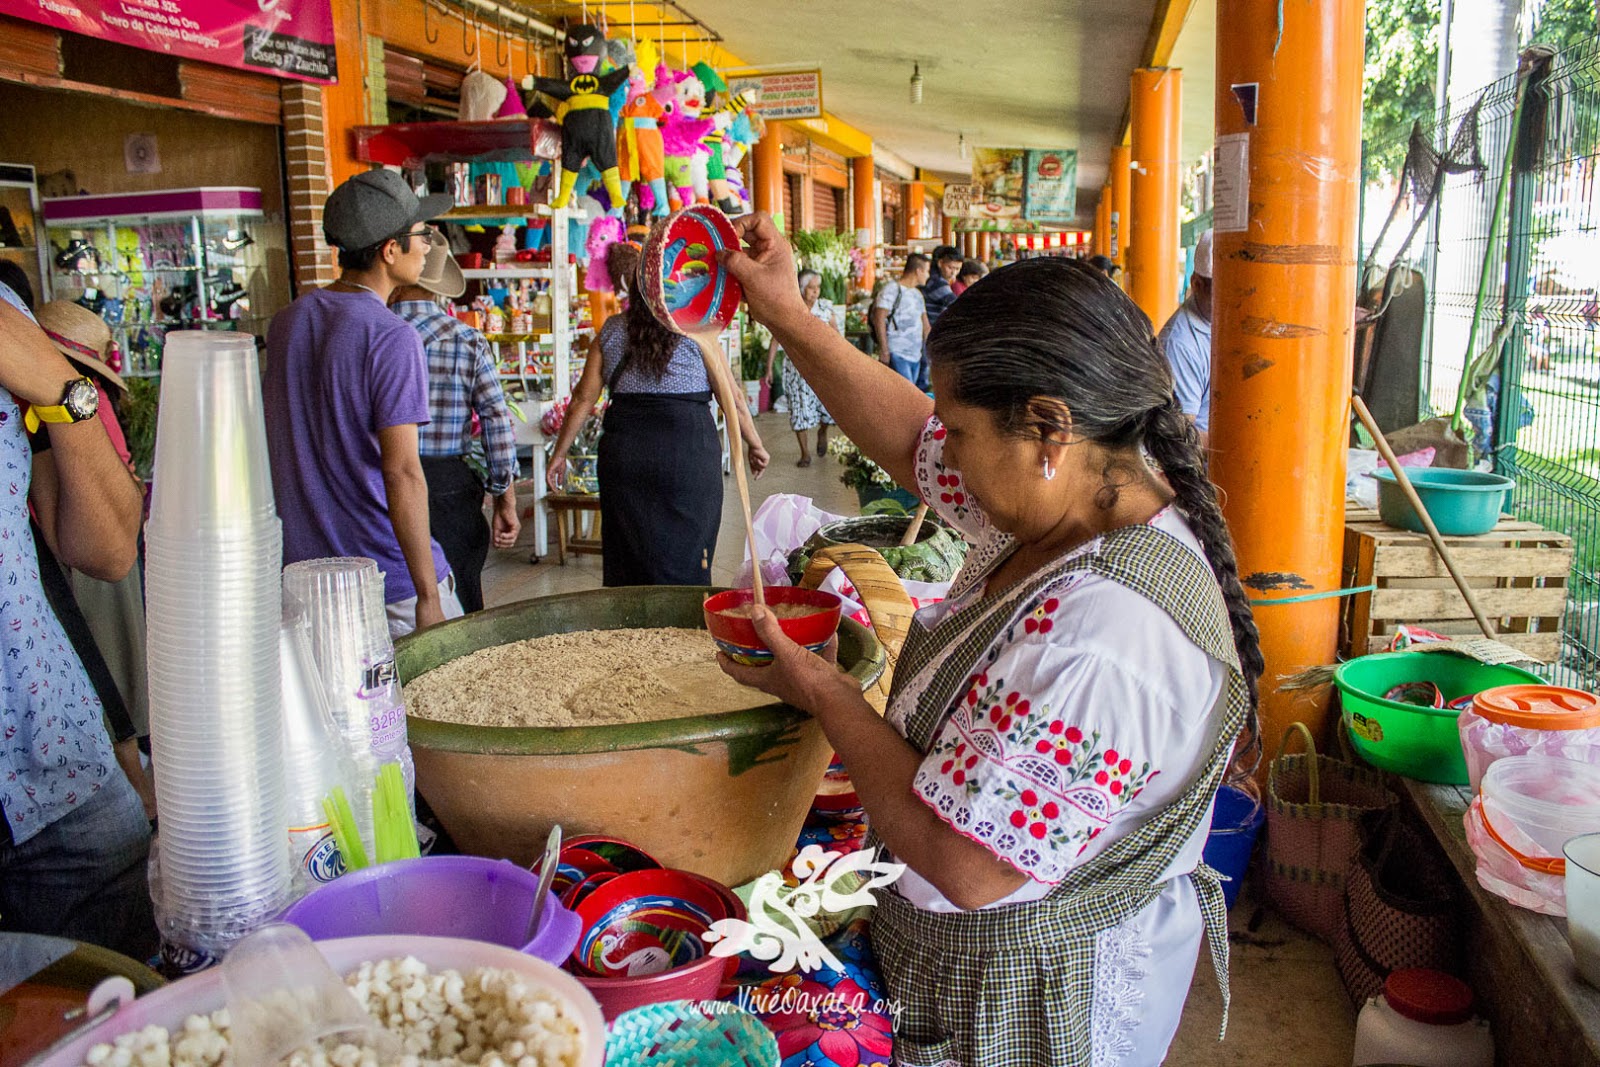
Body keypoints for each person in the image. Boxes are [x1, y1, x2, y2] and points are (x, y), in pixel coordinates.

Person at [719, 212, 1263, 1067]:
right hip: (981, 961)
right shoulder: (1083, 496)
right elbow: (910, 438)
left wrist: (826, 691)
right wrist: (788, 313)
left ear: (1049, 429)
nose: (948, 458)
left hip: (1038, 1001)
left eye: (963, 431)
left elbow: (966, 862)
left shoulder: (1108, 641)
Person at [0, 281, 155, 961]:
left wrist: (65, 390)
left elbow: (107, 548)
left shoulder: (8, 311)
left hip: (58, 763)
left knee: (126, 1004)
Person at [264, 169, 463, 637]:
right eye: (423, 235)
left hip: (305, 579)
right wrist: (429, 596)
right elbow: (403, 473)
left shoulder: (287, 322)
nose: (431, 246)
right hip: (386, 579)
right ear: (390, 250)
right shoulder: (392, 338)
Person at [547, 241, 768, 585]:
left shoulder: (612, 330)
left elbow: (581, 400)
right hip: (687, 455)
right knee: (689, 555)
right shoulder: (698, 331)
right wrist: (756, 444)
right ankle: (682, 624)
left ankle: (633, 631)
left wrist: (559, 454)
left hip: (626, 458)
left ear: (635, 289)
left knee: (629, 556)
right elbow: (732, 398)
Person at [390, 238, 521, 614]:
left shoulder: (377, 332)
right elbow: (496, 418)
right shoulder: (465, 338)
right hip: (448, 484)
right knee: (462, 590)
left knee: (394, 591)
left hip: (381, 480)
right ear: (437, 286)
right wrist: (504, 498)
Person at [763, 269, 839, 467]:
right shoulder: (791, 309)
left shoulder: (825, 309)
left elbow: (837, 338)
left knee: (827, 407)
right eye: (811, 288)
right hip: (796, 370)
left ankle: (822, 432)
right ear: (802, 289)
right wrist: (769, 368)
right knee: (799, 408)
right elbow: (775, 339)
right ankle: (805, 454)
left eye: (817, 288)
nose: (815, 292)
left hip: (822, 368)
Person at [1157, 229, 1213, 446]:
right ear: (1197, 284)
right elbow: (1180, 438)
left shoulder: (1223, 324)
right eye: (1223, 289)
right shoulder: (1180, 344)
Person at [872, 254, 931, 384]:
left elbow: (925, 325)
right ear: (918, 271)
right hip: (897, 351)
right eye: (927, 271)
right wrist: (884, 349)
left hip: (916, 355)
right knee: (906, 393)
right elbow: (879, 319)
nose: (928, 275)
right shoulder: (891, 290)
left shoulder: (918, 295)